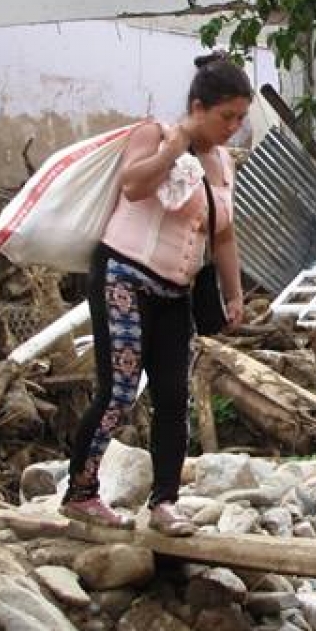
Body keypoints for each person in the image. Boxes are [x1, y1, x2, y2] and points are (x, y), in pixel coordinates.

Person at [64, 54, 251, 536]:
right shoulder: (153, 135)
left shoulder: (224, 163)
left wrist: (235, 295)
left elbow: (224, 235)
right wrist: (177, 144)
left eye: (240, 118)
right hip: (123, 277)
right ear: (197, 106)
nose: (233, 127)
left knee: (174, 395)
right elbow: (133, 186)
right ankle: (81, 493)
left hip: (176, 291)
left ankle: (165, 501)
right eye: (225, 116)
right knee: (120, 388)